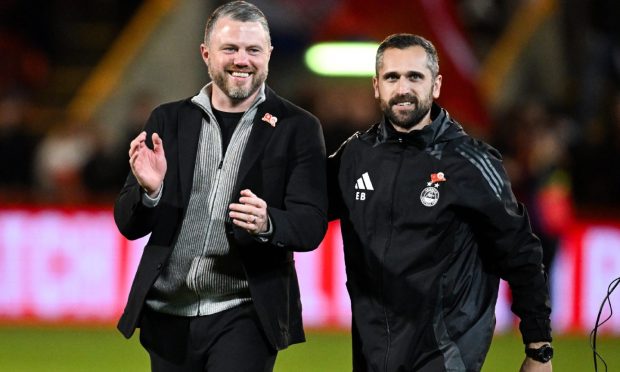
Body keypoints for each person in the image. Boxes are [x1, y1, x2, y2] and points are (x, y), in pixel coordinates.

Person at [114, 2, 327, 371]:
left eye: (253, 50)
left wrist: (268, 223)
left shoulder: (299, 127)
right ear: (206, 53)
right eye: (230, 48)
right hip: (167, 314)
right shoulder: (167, 120)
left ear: (269, 54)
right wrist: (151, 193)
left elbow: (311, 224)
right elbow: (128, 225)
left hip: (245, 311)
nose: (241, 60)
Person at [328, 33, 553, 372]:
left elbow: (521, 252)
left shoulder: (470, 162)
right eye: (392, 77)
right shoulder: (355, 156)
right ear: (377, 86)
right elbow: (305, 212)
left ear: (435, 85)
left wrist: (539, 349)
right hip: (372, 357)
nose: (403, 88)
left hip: (444, 356)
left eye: (415, 76)